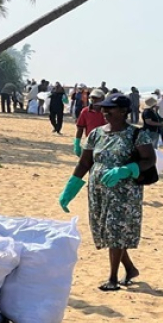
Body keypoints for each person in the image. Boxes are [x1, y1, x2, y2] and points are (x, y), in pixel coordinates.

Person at [59, 93, 156, 291]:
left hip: (125, 192)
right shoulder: (96, 133)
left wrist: (126, 169)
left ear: (123, 111)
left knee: (116, 230)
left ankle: (112, 278)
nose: (104, 112)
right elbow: (85, 162)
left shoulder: (137, 134)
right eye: (102, 108)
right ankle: (130, 268)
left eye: (109, 109)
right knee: (106, 230)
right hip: (98, 191)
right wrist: (71, 188)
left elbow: (149, 160)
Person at [74, 88, 106, 156]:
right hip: (89, 143)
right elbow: (80, 128)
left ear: (103, 99)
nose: (94, 101)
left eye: (97, 99)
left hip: (104, 144)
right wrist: (77, 144)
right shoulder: (85, 111)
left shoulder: (107, 112)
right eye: (92, 98)